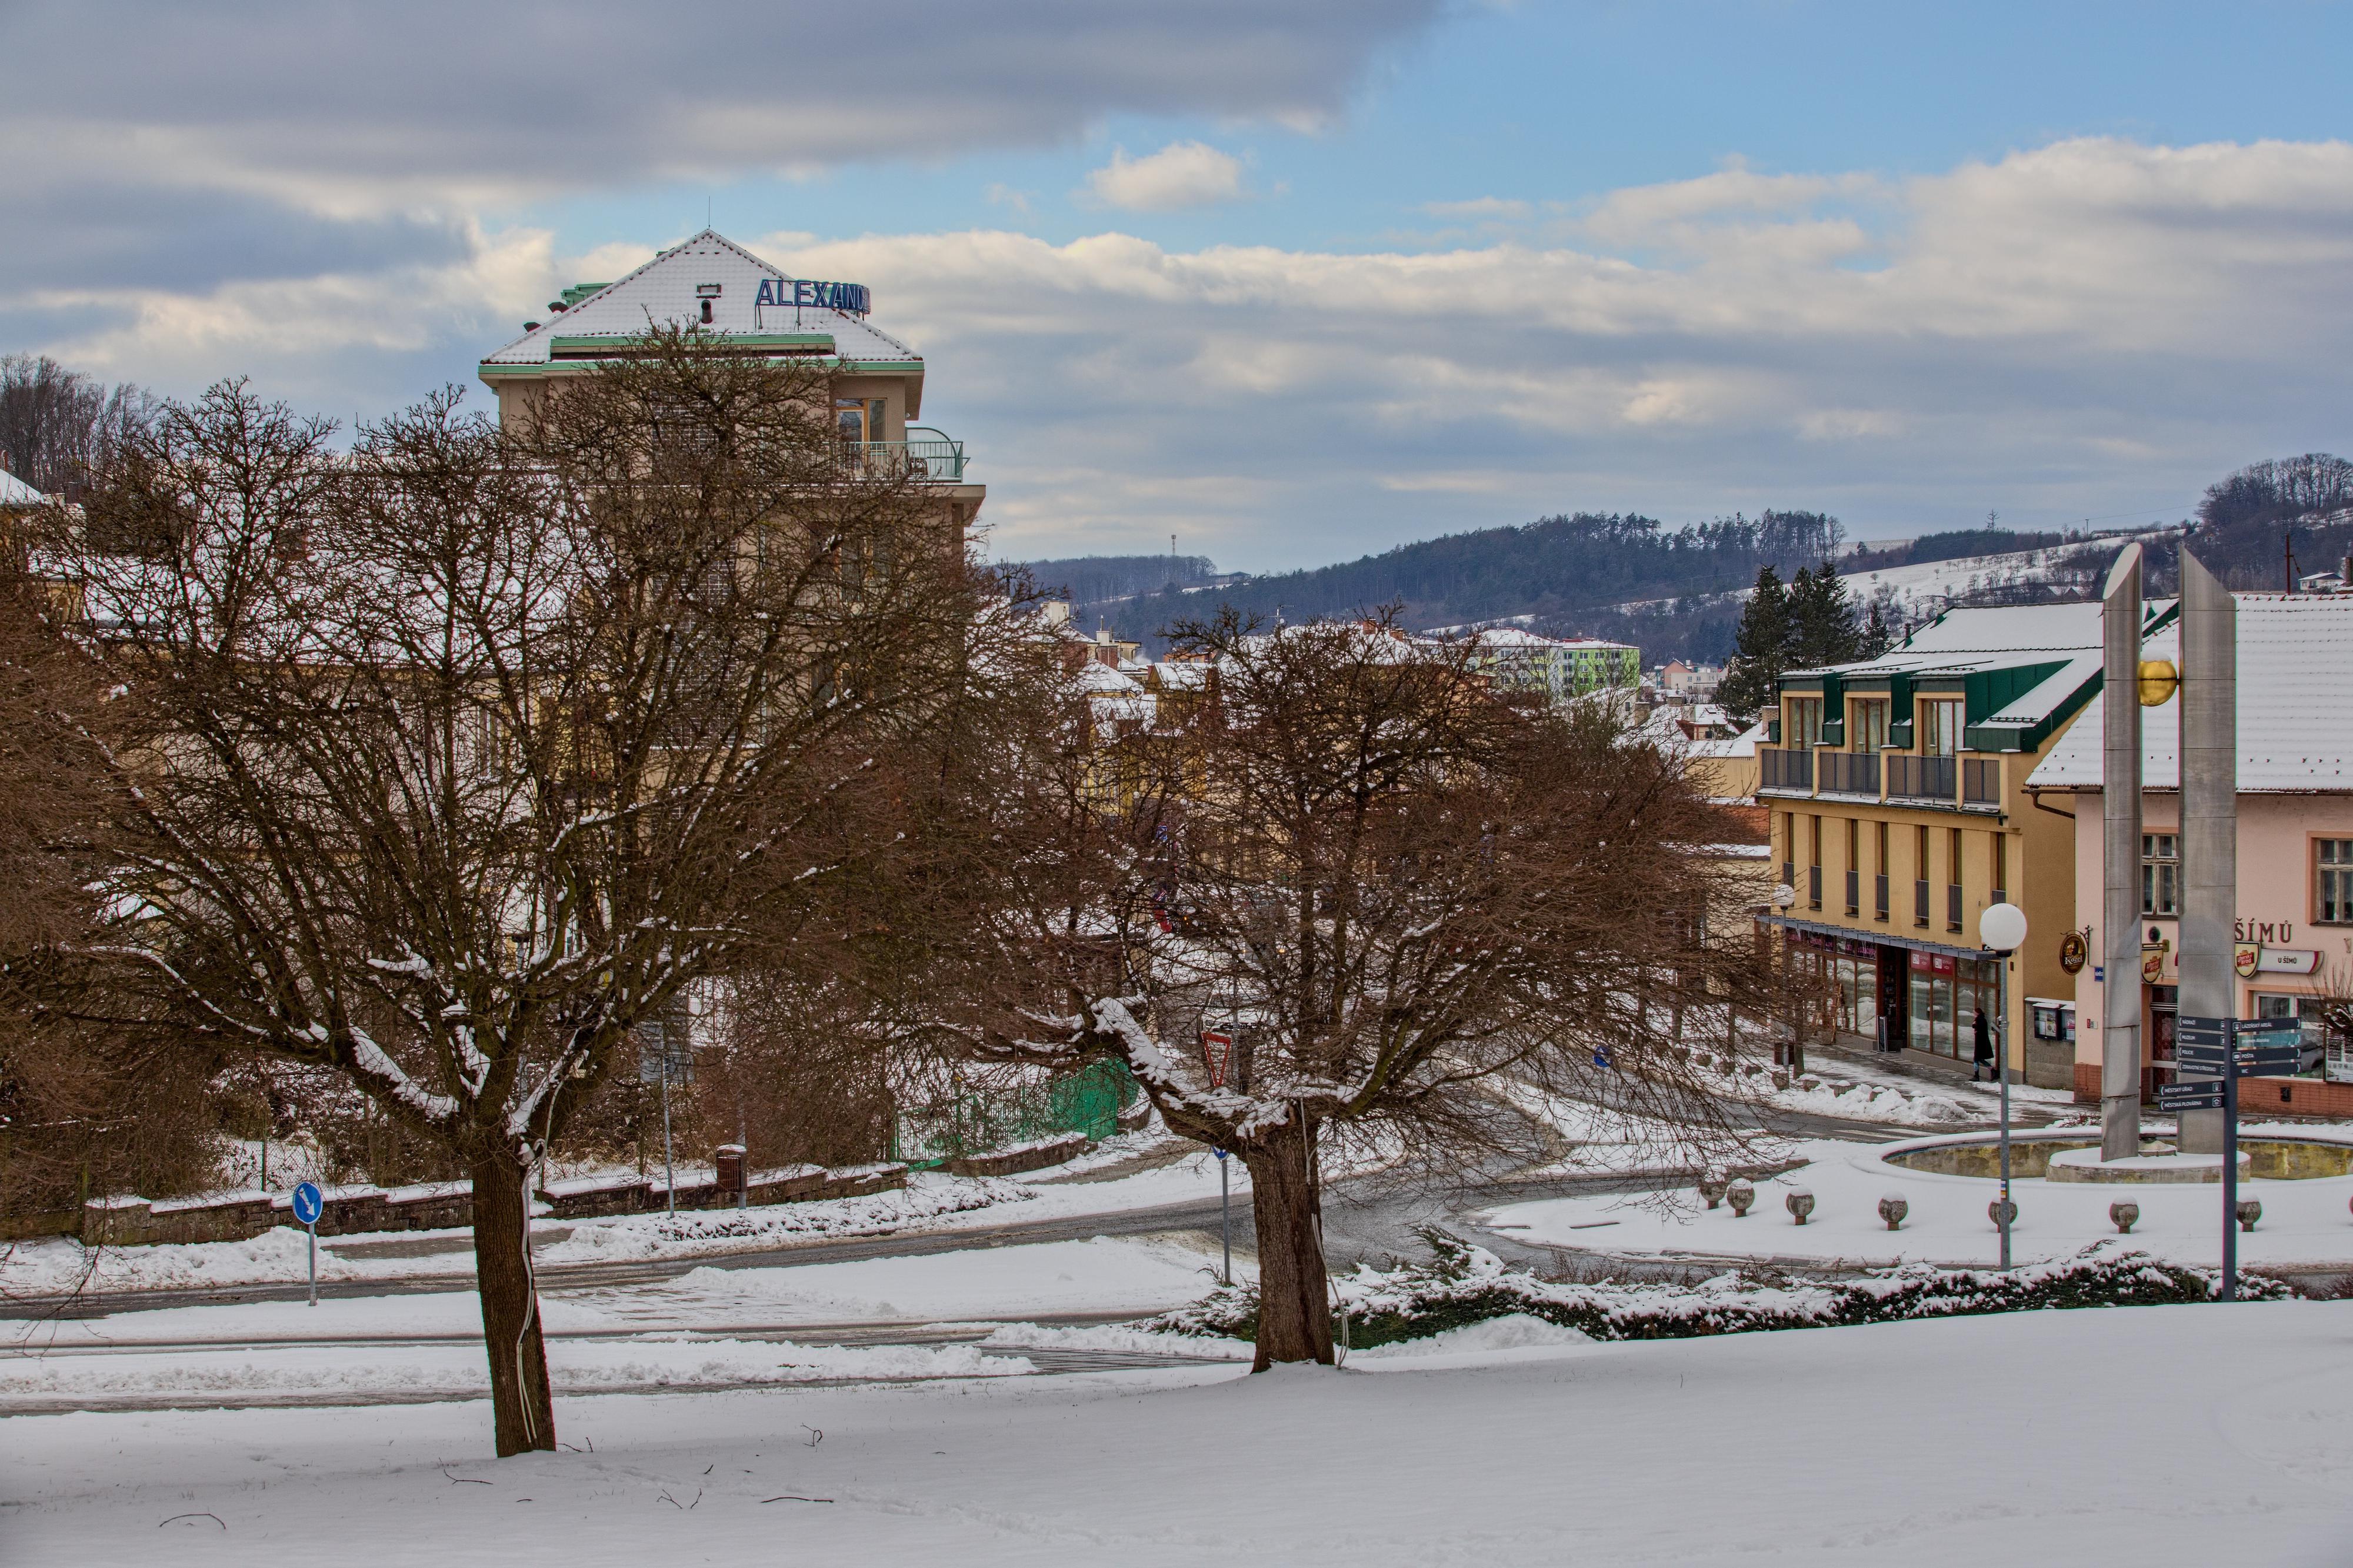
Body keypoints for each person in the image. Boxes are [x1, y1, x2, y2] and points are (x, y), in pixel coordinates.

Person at [1971, 1005, 1996, 1082]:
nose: (1973, 1014)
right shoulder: (1981, 1019)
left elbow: (1975, 1026)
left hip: (1980, 1043)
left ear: (1977, 1013)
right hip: (1981, 1043)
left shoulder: (1980, 1020)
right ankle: (1992, 1070)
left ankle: (1977, 1076)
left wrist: (1975, 1023)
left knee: (1976, 1059)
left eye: (1974, 1013)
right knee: (1979, 1059)